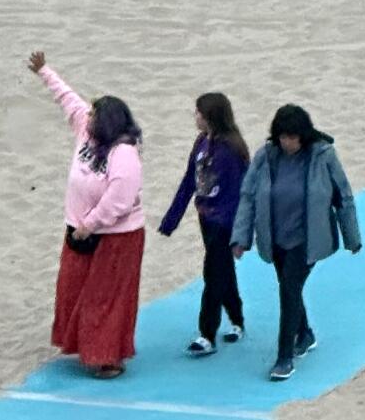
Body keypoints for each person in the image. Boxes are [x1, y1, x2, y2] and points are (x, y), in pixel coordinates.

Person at [28, 50, 146, 379]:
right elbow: (68, 99)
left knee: (105, 297)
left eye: (95, 115)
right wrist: (44, 71)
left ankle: (106, 356)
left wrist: (89, 224)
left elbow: (119, 200)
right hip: (80, 230)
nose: (88, 116)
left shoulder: (124, 153)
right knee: (74, 289)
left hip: (115, 236)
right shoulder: (86, 131)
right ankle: (83, 345)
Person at [230, 103, 361, 382]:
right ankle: (305, 333)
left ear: (304, 135)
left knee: (289, 289)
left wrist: (352, 237)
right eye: (282, 136)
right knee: (289, 287)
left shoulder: (323, 156)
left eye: (292, 137)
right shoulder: (266, 157)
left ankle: (284, 356)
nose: (287, 142)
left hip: (308, 239)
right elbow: (248, 196)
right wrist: (241, 238)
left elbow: (343, 196)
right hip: (276, 238)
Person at [159, 93, 251, 356]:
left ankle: (207, 334)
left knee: (213, 272)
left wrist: (239, 234)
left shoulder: (231, 151)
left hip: (225, 222)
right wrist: (171, 219)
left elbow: (240, 192)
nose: (195, 116)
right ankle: (237, 319)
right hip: (206, 217)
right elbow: (190, 180)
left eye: (198, 112)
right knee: (223, 270)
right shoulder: (201, 142)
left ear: (210, 116)